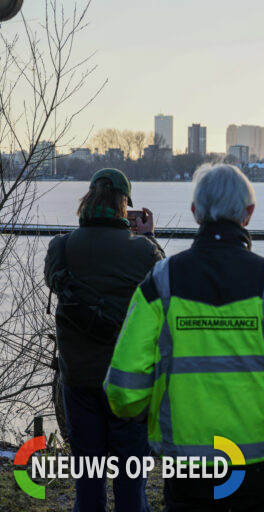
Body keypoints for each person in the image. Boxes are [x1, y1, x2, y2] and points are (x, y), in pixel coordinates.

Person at [104, 164, 264, 511]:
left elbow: (124, 390)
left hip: (187, 469)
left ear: (196, 213)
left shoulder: (160, 283)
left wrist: (156, 415)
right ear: (249, 214)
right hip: (262, 466)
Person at [44, 168, 164, 512]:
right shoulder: (142, 251)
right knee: (131, 483)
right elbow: (166, 286)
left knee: (88, 481)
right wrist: (150, 237)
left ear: (88, 200)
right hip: (129, 381)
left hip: (79, 380)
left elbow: (55, 282)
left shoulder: (62, 248)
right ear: (124, 204)